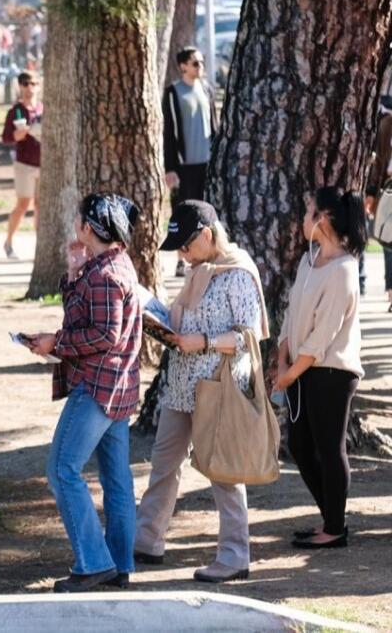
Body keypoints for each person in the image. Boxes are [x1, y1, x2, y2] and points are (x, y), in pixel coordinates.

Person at [134, 201, 268, 584]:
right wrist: (153, 311)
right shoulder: (198, 271)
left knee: (223, 473)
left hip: (219, 389)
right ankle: (147, 541)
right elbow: (183, 323)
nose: (181, 253)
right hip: (181, 387)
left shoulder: (237, 273)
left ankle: (234, 556)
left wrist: (203, 341)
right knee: (164, 463)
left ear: (207, 236)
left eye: (186, 245)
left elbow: (248, 337)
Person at [26, 193, 142, 593]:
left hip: (96, 388)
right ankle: (118, 562)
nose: (76, 224)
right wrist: (74, 271)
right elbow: (88, 316)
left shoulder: (106, 275)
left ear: (89, 227)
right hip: (118, 389)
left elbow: (104, 335)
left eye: (80, 220)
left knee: (62, 470)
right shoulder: (112, 265)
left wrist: (54, 343)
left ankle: (94, 562)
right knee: (116, 478)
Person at [273, 187, 365, 550]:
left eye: (309, 210)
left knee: (329, 448)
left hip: (331, 373)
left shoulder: (344, 271)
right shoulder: (308, 261)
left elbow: (323, 335)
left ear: (322, 218)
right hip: (301, 369)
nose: (304, 216)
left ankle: (335, 527)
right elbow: (293, 313)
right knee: (299, 445)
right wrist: (283, 358)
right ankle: (331, 517)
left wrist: (289, 373)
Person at [162, 47, 218, 277]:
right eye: (195, 63)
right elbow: (170, 133)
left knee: (207, 212)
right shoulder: (174, 93)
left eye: (202, 62)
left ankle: (208, 255)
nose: (200, 67)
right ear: (183, 65)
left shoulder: (206, 89)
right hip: (184, 164)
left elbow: (214, 124)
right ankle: (180, 259)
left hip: (207, 162)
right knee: (183, 212)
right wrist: (171, 167)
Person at [1, 71, 42, 260]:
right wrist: (18, 135)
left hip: (44, 163)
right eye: (25, 84)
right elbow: (6, 137)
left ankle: (39, 247)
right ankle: (8, 241)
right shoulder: (15, 111)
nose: (29, 87)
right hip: (24, 163)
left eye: (33, 83)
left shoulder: (43, 108)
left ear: (38, 85)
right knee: (23, 204)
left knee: (40, 206)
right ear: (20, 86)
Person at [365, 96, 392, 311]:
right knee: (388, 242)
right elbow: (380, 161)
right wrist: (372, 192)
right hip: (389, 189)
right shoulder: (387, 125)